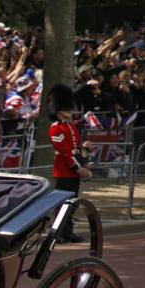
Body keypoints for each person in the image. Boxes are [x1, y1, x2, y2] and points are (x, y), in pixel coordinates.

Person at [47, 84, 90, 243]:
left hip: (72, 171)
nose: (70, 111)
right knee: (61, 204)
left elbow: (76, 148)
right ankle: (57, 234)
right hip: (64, 171)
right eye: (66, 108)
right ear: (58, 110)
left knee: (71, 204)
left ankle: (68, 232)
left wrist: (85, 154)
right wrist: (78, 169)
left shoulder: (70, 127)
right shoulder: (55, 129)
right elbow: (65, 152)